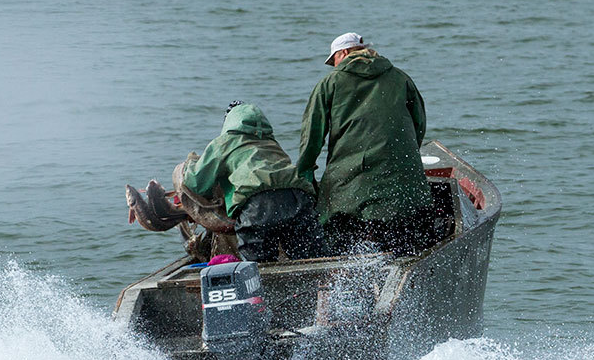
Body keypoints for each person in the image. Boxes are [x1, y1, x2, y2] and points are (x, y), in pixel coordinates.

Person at [297, 32, 437, 255]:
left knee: (334, 219)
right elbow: (419, 125)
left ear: (343, 53)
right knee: (407, 234)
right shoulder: (401, 78)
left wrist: (305, 173)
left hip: (353, 180)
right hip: (404, 178)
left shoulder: (330, 83)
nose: (333, 66)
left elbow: (312, 135)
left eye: (333, 59)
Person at [181, 101, 324, 263]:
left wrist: (190, 163)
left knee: (259, 267)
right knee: (310, 259)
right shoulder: (270, 142)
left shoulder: (225, 142)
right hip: (297, 198)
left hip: (258, 205)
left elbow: (196, 183)